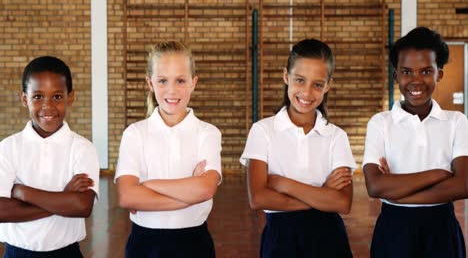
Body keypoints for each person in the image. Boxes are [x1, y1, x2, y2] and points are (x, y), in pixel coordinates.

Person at [240, 38, 356, 258]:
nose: (307, 92)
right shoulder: (263, 130)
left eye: (317, 84)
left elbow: (342, 203)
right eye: (300, 80)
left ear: (328, 85)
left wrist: (282, 183)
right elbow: (258, 198)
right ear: (286, 77)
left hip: (329, 239)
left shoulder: (336, 136)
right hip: (281, 240)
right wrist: (322, 194)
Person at [363, 26, 468, 258]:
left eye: (426, 71)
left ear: (439, 74)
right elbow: (375, 187)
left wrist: (395, 191)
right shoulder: (380, 123)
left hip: (441, 229)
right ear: (396, 76)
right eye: (407, 72)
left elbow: (463, 185)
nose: (416, 81)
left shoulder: (457, 121)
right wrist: (439, 174)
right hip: (394, 229)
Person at [115, 41, 222, 258]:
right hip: (145, 244)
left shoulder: (207, 133)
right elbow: (127, 196)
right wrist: (188, 195)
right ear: (150, 83)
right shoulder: (135, 133)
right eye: (163, 81)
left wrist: (147, 186)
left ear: (193, 82)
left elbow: (206, 190)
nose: (172, 90)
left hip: (194, 244)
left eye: (180, 80)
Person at [0, 56, 100, 257]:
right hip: (18, 252)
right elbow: (2, 211)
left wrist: (24, 192)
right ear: (24, 98)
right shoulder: (7, 148)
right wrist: (64, 197)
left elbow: (82, 206)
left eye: (57, 97)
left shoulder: (82, 148)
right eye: (38, 97)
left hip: (66, 252)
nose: (48, 106)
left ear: (69, 98)